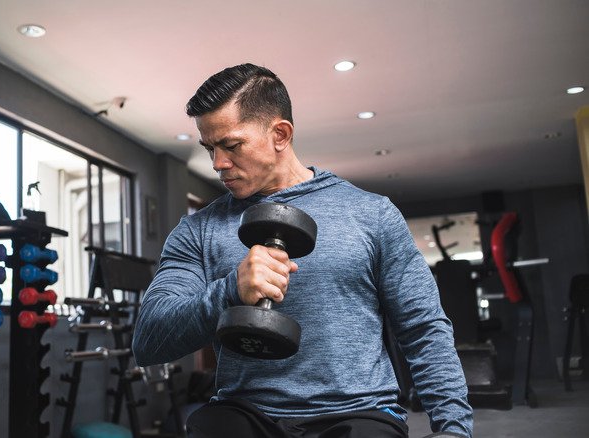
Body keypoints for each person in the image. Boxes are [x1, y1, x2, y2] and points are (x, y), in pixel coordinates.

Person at [132, 63, 472, 438]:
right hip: (245, 412)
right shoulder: (197, 231)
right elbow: (149, 340)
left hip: (357, 412)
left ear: (280, 133)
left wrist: (453, 429)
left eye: (231, 145)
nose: (217, 164)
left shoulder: (371, 214)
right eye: (209, 148)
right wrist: (229, 290)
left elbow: (423, 327)